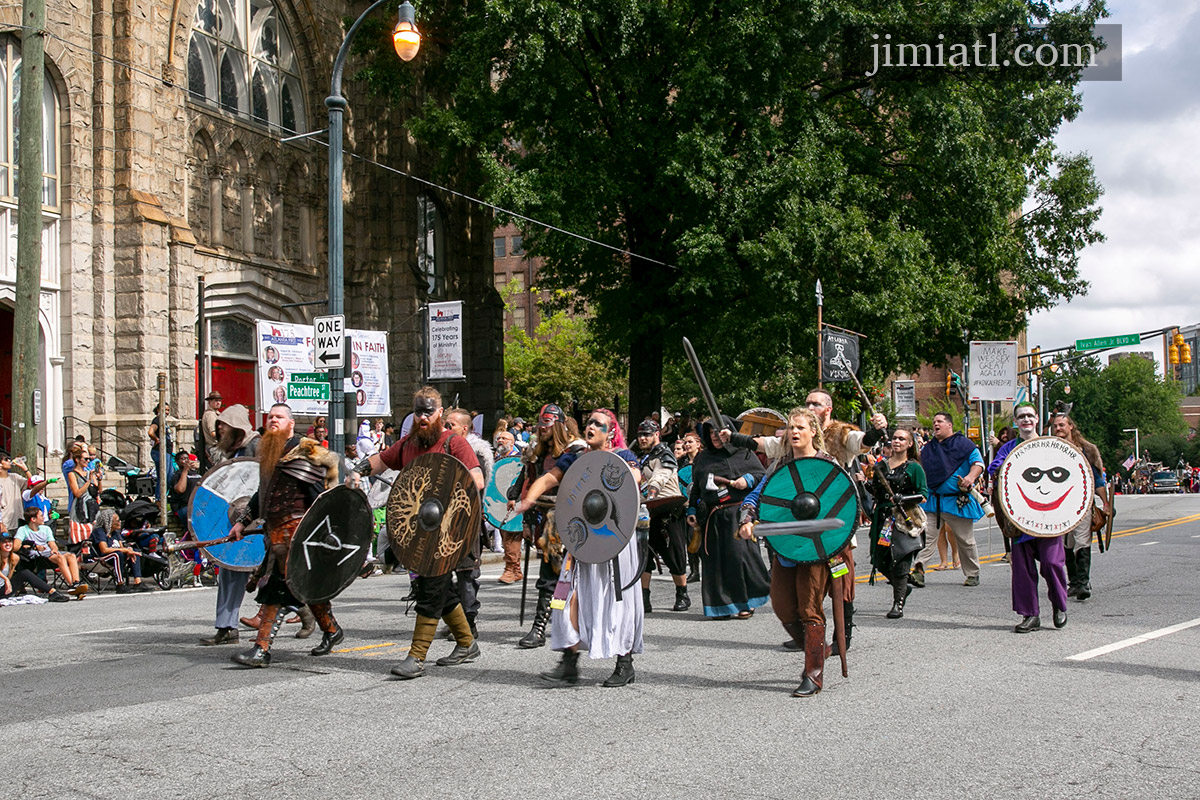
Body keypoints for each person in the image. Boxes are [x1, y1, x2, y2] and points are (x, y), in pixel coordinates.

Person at [722, 390, 886, 650]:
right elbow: (763, 446)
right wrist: (734, 437)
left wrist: (877, 430)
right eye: (808, 403)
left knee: (842, 586)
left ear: (827, 409)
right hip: (792, 530)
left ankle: (842, 637)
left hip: (833, 527)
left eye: (816, 403)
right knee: (791, 599)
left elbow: (864, 441)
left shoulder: (841, 435)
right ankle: (810, 639)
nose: (810, 406)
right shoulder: (788, 448)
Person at [360, 387, 484, 679]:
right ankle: (467, 643)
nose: (423, 416)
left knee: (430, 589)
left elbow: (475, 480)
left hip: (448, 532)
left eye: (429, 411)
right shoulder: (407, 445)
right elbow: (382, 459)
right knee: (441, 590)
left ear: (440, 412)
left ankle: (416, 656)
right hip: (418, 530)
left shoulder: (455, 443)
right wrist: (358, 469)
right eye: (419, 411)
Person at [514, 408, 643, 687]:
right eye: (589, 422)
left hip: (614, 539)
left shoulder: (624, 457)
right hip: (581, 539)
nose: (591, 427)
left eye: (599, 424)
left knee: (618, 603)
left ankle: (625, 662)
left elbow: (634, 480)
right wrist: (528, 500)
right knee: (563, 597)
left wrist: (621, 471)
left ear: (611, 433)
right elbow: (549, 479)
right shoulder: (574, 457)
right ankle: (569, 662)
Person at [227, 404, 343, 667]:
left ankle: (261, 649)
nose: (273, 421)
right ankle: (333, 630)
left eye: (279, 417)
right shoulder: (270, 451)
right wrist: (243, 522)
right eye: (270, 417)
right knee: (306, 587)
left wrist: (324, 531)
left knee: (276, 588)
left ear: (291, 423)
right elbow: (262, 494)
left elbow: (322, 493)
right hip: (277, 533)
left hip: (298, 534)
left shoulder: (305, 450)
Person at [737, 407, 842, 696]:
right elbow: (757, 495)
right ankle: (817, 646)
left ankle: (813, 673)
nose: (795, 432)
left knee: (809, 609)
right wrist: (747, 518)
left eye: (801, 427)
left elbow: (842, 500)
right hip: (784, 546)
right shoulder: (779, 465)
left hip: (815, 547)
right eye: (791, 427)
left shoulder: (827, 464)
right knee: (783, 605)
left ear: (813, 433)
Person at [508, 404, 586, 648]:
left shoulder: (576, 451)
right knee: (550, 576)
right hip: (548, 521)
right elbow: (530, 482)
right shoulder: (538, 454)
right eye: (540, 425)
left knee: (575, 579)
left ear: (559, 425)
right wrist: (529, 521)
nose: (542, 430)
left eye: (547, 425)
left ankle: (569, 623)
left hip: (575, 522)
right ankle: (541, 626)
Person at [987, 404, 1068, 633]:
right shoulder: (1008, 448)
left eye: (1030, 416)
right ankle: (1030, 614)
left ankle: (1059, 605)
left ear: (1037, 419)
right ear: (1016, 421)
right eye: (1021, 416)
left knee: (1052, 563)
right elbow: (995, 467)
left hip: (1050, 516)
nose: (1026, 420)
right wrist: (1005, 465)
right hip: (1020, 518)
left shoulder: (1052, 446)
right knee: (1022, 569)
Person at [689, 416, 769, 620]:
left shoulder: (744, 453)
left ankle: (745, 602)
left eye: (718, 431)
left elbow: (762, 475)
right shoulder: (703, 457)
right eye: (710, 431)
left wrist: (747, 479)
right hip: (712, 517)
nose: (714, 436)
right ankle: (721, 606)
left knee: (739, 558)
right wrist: (691, 510)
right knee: (715, 562)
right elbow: (697, 487)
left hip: (739, 515)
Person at [200, 404, 264, 647]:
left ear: (235, 426)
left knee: (273, 577)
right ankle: (226, 627)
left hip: (259, 521)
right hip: (237, 521)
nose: (219, 432)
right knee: (229, 572)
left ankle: (309, 612)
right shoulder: (233, 451)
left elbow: (265, 481)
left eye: (223, 427)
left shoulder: (257, 445)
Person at [909, 412, 984, 589]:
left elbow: (978, 464)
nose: (936, 424)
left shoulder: (964, 444)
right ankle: (918, 571)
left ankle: (972, 573)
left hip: (956, 501)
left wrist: (970, 477)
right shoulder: (928, 448)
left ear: (949, 425)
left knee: (965, 540)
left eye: (940, 421)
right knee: (926, 538)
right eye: (934, 421)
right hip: (933, 502)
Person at [867, 428, 928, 619]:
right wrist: (865, 484)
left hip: (903, 518)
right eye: (894, 438)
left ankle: (898, 604)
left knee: (900, 560)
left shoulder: (914, 468)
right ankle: (902, 588)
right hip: (883, 518)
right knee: (880, 560)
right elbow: (876, 492)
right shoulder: (881, 466)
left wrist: (905, 498)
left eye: (902, 439)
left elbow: (923, 496)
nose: (897, 441)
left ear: (910, 444)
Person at [444, 407, 494, 639]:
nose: (446, 428)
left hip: (466, 519)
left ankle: (468, 622)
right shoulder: (444, 449)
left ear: (464, 428)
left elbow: (474, 486)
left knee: (466, 572)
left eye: (451, 425)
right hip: (443, 520)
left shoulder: (477, 454)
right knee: (441, 573)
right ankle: (454, 618)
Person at [634, 419, 690, 612]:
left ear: (656, 434)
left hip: (668, 509)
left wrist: (652, 493)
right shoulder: (644, 457)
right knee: (644, 555)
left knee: (673, 554)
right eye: (640, 435)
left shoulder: (665, 454)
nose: (642, 438)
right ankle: (644, 597)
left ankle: (682, 593)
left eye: (646, 434)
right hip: (647, 511)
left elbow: (661, 476)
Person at [1051, 413, 1106, 602]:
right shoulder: (1049, 449)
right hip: (1058, 504)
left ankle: (1083, 583)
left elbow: (1097, 479)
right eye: (1055, 426)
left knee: (1082, 541)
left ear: (1070, 426)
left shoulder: (1086, 449)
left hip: (1082, 502)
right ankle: (1074, 582)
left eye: (1061, 425)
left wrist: (1105, 503)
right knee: (1068, 544)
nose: (1058, 429)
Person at [15, 506, 86, 595]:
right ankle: (72, 585)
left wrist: (54, 549)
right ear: (33, 519)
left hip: (49, 553)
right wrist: (33, 546)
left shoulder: (46, 529)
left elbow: (52, 543)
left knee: (71, 556)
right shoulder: (23, 530)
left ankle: (76, 582)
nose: (43, 517)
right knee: (60, 558)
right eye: (41, 516)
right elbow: (16, 546)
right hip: (37, 558)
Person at [1, 530, 72, 602]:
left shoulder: (15, 558)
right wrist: (6, 579)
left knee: (24, 573)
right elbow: (6, 578)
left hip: (4, 589)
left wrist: (8, 581)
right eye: (4, 542)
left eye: (9, 542)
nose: (7, 544)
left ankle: (52, 592)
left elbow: (9, 576)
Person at [0, 450, 29, 532]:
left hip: (18, 520)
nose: (9, 461)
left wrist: (25, 469)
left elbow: (33, 484)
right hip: (4, 523)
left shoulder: (15, 477)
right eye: (5, 459)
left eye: (9, 459)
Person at [200, 391, 223, 470]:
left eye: (219, 400)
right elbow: (213, 433)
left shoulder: (216, 413)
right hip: (215, 448)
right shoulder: (210, 414)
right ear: (210, 402)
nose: (218, 403)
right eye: (216, 401)